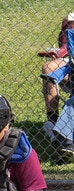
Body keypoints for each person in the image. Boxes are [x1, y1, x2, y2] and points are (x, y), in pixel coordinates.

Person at [39, 13, 74, 143]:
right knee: (48, 68)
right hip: (69, 59)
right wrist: (58, 52)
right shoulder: (70, 18)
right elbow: (65, 46)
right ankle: (52, 122)